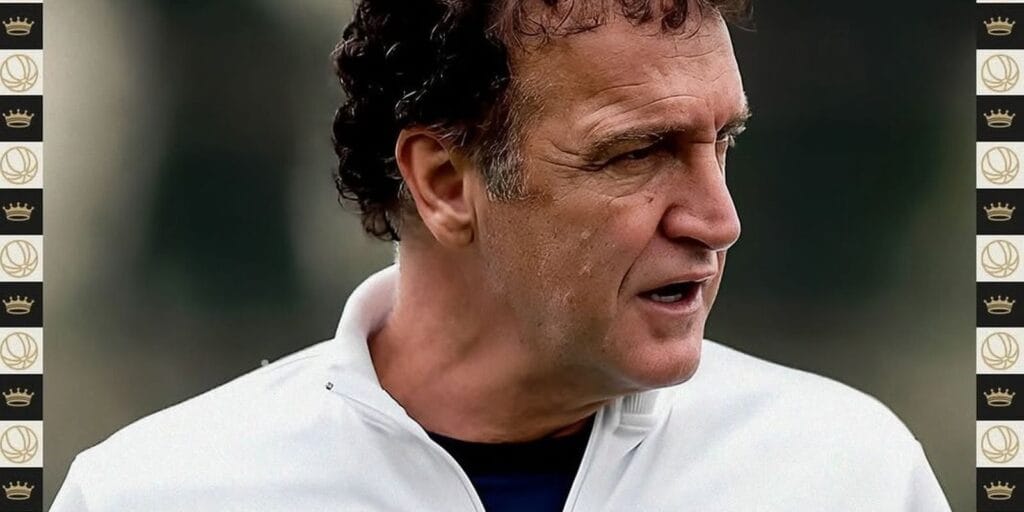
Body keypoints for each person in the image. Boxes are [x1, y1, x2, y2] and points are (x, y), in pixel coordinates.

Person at [51, 0, 952, 510]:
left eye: (724, 144)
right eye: (638, 153)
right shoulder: (155, 494)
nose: (719, 220)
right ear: (445, 181)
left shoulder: (849, 474)